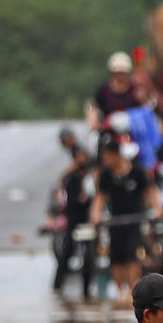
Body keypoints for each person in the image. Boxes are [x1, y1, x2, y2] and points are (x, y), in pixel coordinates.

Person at [91, 140, 163, 306]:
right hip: (115, 221)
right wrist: (95, 214)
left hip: (134, 220)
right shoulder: (107, 174)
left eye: (107, 156)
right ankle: (120, 291)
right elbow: (100, 197)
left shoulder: (137, 171)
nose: (106, 160)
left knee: (132, 256)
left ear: (116, 155)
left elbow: (150, 191)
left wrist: (157, 208)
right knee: (116, 258)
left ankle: (132, 291)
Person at [47, 127, 96, 300]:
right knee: (68, 250)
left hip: (84, 216)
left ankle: (85, 289)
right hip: (74, 216)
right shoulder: (74, 178)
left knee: (87, 253)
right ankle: (58, 286)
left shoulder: (81, 164)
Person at [88, 52, 145, 131]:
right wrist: (93, 120)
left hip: (132, 134)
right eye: (117, 73)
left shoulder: (135, 90)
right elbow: (93, 106)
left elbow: (144, 110)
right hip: (109, 134)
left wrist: (143, 100)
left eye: (123, 73)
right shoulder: (104, 90)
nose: (120, 76)